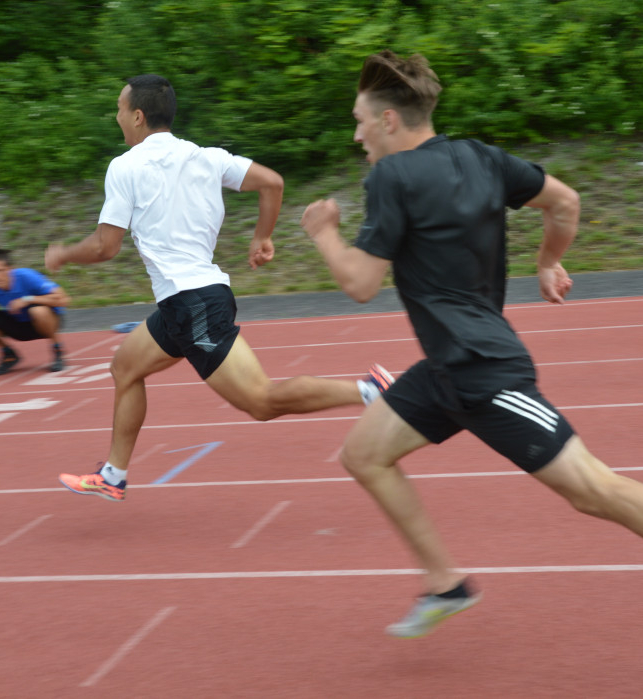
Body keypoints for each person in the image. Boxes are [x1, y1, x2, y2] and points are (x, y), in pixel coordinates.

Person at [300, 51, 643, 673]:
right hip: (447, 369)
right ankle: (444, 583)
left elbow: (360, 283)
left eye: (360, 120)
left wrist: (324, 232)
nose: (357, 134)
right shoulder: (482, 157)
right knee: (365, 453)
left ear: (388, 119)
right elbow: (565, 203)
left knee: (594, 490)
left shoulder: (391, 177)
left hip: (484, 371)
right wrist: (548, 261)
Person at [46, 74, 393, 502]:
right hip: (186, 302)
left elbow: (105, 246)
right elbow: (272, 182)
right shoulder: (206, 157)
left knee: (261, 402)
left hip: (192, 305)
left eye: (119, 109)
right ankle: (113, 475)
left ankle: (370, 390)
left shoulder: (125, 166)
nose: (115, 116)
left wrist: (63, 254)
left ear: (137, 116)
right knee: (125, 367)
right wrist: (262, 236)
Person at [0, 249, 70, 375]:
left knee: (38, 310)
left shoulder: (27, 276)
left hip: (46, 321)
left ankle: (58, 349)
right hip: (17, 324)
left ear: (9, 269)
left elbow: (64, 300)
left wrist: (27, 299)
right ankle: (8, 354)